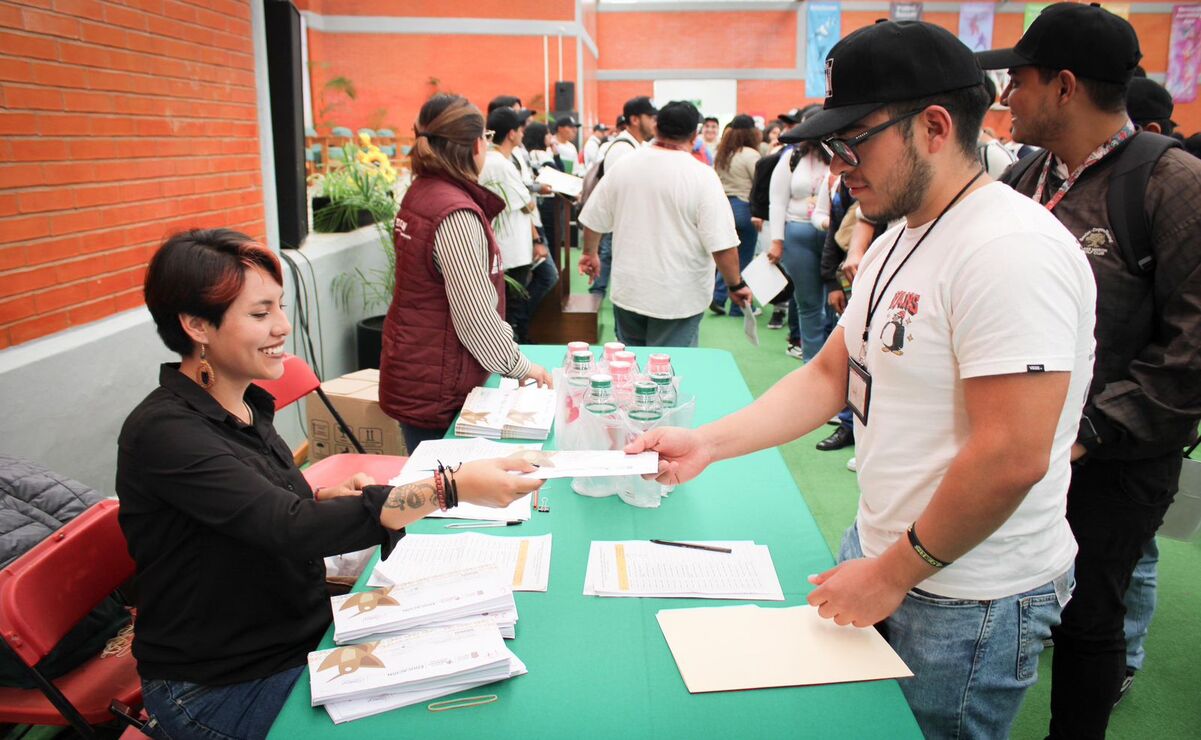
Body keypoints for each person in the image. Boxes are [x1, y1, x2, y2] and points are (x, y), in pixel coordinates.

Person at [629, 21, 1095, 737]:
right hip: (891, 548)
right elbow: (829, 376)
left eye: (853, 143)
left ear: (934, 127)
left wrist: (891, 573)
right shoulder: (903, 234)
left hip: (964, 591)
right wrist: (707, 443)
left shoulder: (1009, 251)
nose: (838, 164)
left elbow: (1012, 455)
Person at [120, 228, 544, 740]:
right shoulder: (166, 434)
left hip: (300, 635)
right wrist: (447, 488)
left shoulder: (243, 402)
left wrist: (320, 496)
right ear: (196, 326)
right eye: (259, 314)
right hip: (219, 685)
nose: (281, 327)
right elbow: (287, 527)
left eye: (280, 306)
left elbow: (258, 504)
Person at [980, 5, 1201, 735]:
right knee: (1002, 592)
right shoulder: (1023, 178)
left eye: (1018, 79)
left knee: (1089, 616)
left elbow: (1190, 349)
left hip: (1114, 460)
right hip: (1023, 447)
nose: (1005, 96)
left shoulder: (1171, 185)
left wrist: (1090, 429)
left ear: (1064, 85)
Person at [380, 95, 552, 450]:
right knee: (446, 492)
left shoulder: (423, 192)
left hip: (422, 365)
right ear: (477, 144)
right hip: (438, 378)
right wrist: (520, 366)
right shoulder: (454, 212)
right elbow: (474, 317)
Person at [578, 101, 752, 347]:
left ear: (656, 126)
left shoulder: (625, 166)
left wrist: (589, 253)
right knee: (670, 374)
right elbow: (721, 244)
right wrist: (736, 284)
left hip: (630, 289)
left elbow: (593, 219)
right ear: (694, 135)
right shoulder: (701, 176)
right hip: (678, 296)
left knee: (630, 368)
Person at [479, 106, 556, 344]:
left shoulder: (496, 160)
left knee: (512, 300)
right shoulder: (499, 163)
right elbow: (526, 204)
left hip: (512, 242)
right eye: (521, 129)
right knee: (512, 303)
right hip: (511, 246)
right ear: (512, 133)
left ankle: (518, 336)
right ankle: (515, 343)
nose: (524, 133)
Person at [773, 108, 834, 362]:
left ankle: (833, 364)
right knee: (808, 304)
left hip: (835, 236)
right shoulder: (792, 157)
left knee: (835, 304)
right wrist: (777, 240)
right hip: (798, 231)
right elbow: (776, 200)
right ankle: (812, 363)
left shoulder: (839, 154)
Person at [588, 96, 657, 300]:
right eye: (651, 117)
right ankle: (597, 295)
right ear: (635, 119)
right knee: (619, 278)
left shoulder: (634, 146)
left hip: (626, 225)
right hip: (622, 224)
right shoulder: (623, 149)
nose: (655, 122)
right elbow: (622, 194)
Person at [712, 114, 762, 317]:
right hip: (744, 207)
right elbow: (758, 185)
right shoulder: (751, 155)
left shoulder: (723, 153)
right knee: (744, 259)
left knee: (726, 254)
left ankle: (718, 296)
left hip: (724, 207)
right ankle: (738, 306)